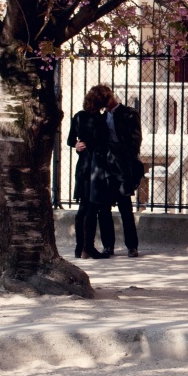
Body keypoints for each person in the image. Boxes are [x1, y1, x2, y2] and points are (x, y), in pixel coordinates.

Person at [84, 84, 143, 258]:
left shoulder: (129, 113)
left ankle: (132, 246)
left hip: (122, 166)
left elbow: (135, 140)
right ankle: (108, 245)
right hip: (105, 167)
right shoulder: (100, 118)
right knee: (104, 208)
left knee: (125, 207)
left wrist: (122, 153)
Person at [67, 88, 113, 260]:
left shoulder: (78, 116)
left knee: (83, 208)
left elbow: (70, 140)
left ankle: (80, 248)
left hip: (83, 166)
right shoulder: (100, 120)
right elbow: (103, 142)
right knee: (92, 208)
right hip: (96, 167)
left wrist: (77, 145)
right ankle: (88, 248)